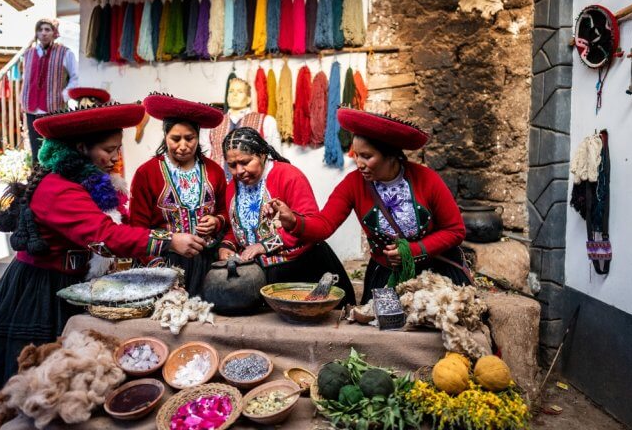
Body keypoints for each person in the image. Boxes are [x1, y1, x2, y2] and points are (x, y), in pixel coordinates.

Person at [0, 102, 186, 403]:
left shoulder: (91, 183)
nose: (115, 158)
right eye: (109, 150)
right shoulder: (58, 188)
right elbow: (104, 235)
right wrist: (166, 239)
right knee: (42, 384)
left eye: (118, 149)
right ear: (82, 147)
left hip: (69, 282)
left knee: (68, 381)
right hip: (41, 290)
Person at [267, 108, 469, 304]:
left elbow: (455, 230)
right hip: (387, 275)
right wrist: (292, 220)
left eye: (367, 156)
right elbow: (325, 224)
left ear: (391, 156)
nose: (359, 163)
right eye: (356, 155)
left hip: (435, 270)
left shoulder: (427, 180)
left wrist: (412, 251)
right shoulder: (353, 184)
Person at [218, 127, 355, 304]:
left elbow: (310, 225)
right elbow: (236, 228)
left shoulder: (289, 176)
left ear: (261, 154)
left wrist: (264, 246)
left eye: (245, 162)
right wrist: (226, 246)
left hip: (300, 271)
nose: (239, 171)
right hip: (257, 276)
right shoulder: (232, 188)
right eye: (232, 165)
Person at [130, 93, 229, 296]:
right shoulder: (147, 173)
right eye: (175, 139)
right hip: (162, 262)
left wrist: (216, 221)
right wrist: (159, 268)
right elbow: (137, 228)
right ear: (165, 137)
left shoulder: (214, 171)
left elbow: (226, 212)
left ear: (198, 137)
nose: (183, 146)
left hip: (205, 264)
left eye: (189, 138)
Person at [22, 18, 79, 160]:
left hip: (53, 109)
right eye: (40, 30)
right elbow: (26, 79)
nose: (44, 33)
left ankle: (53, 179)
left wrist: (63, 96)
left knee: (54, 150)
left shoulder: (65, 53)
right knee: (36, 151)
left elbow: (75, 78)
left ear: (54, 33)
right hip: (32, 110)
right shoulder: (28, 54)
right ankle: (37, 180)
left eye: (47, 29)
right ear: (36, 33)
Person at [201, 77, 281, 178]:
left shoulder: (266, 121)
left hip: (254, 183)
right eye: (231, 91)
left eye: (240, 91)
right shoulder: (212, 123)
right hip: (219, 185)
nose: (234, 94)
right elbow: (205, 156)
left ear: (248, 98)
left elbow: (274, 158)